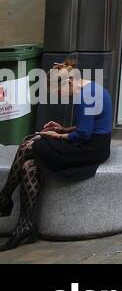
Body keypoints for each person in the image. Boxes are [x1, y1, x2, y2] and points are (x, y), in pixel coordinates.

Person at [0, 58, 113, 251]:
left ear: (69, 82)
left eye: (59, 92)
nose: (61, 97)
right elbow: (87, 127)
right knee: (29, 167)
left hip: (89, 150)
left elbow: (84, 135)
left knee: (30, 143)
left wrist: (58, 136)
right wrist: (62, 129)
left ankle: (4, 197)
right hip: (90, 144)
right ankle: (25, 226)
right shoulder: (91, 89)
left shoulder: (86, 96)